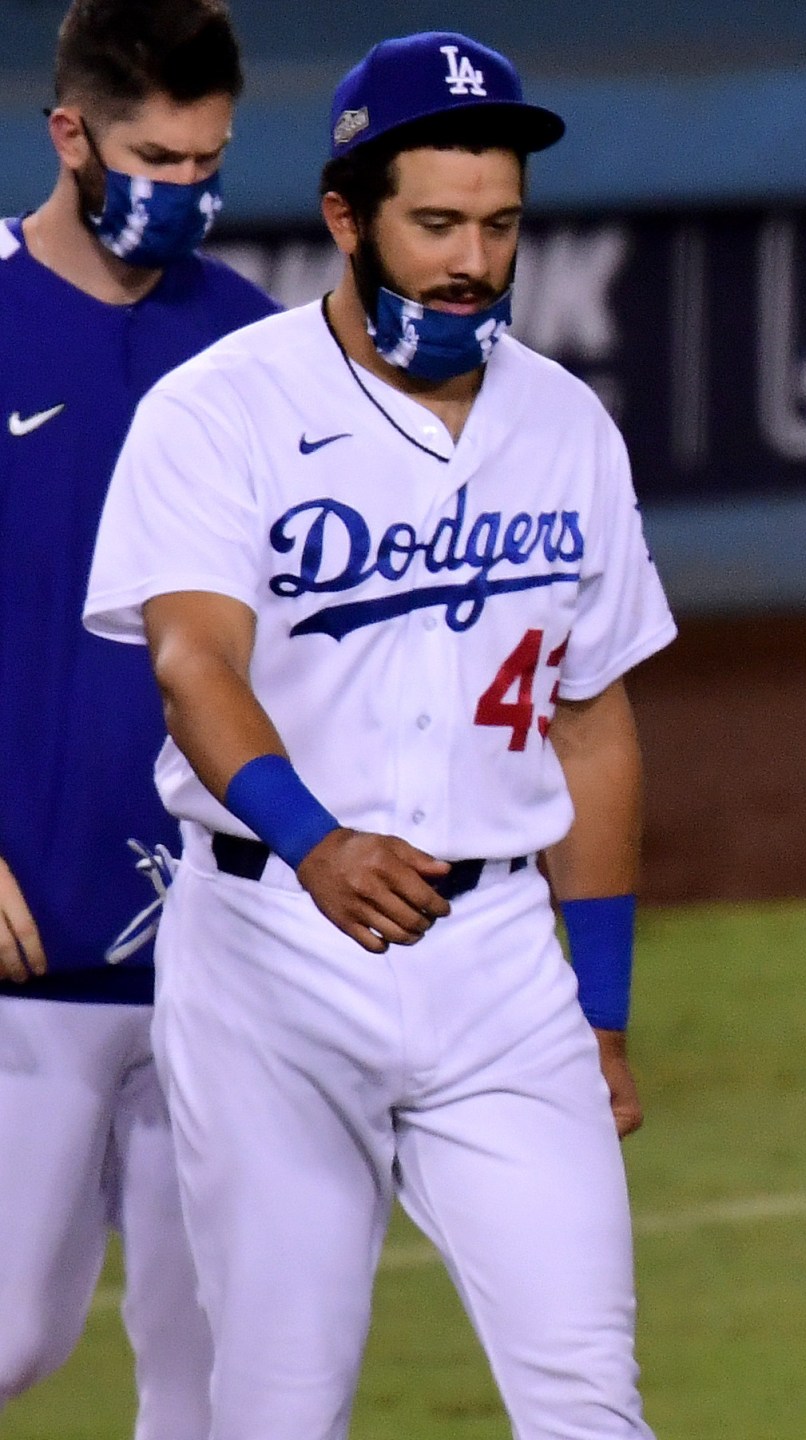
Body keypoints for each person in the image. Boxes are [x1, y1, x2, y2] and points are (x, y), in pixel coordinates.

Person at [82, 31, 673, 1439]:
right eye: (437, 224)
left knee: (591, 1400)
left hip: (502, 970)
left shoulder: (567, 426)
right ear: (349, 217)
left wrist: (601, 1005)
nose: (473, 259)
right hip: (271, 952)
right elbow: (192, 660)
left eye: (501, 226)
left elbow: (592, 728)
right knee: (282, 1407)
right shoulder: (221, 409)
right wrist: (316, 841)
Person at [0, 1, 272, 1432]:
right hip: (23, 954)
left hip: (218, 962)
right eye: (154, 156)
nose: (186, 189)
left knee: (218, 1371)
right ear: (69, 135)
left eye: (210, 158)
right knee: (13, 1333)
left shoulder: (258, 352)